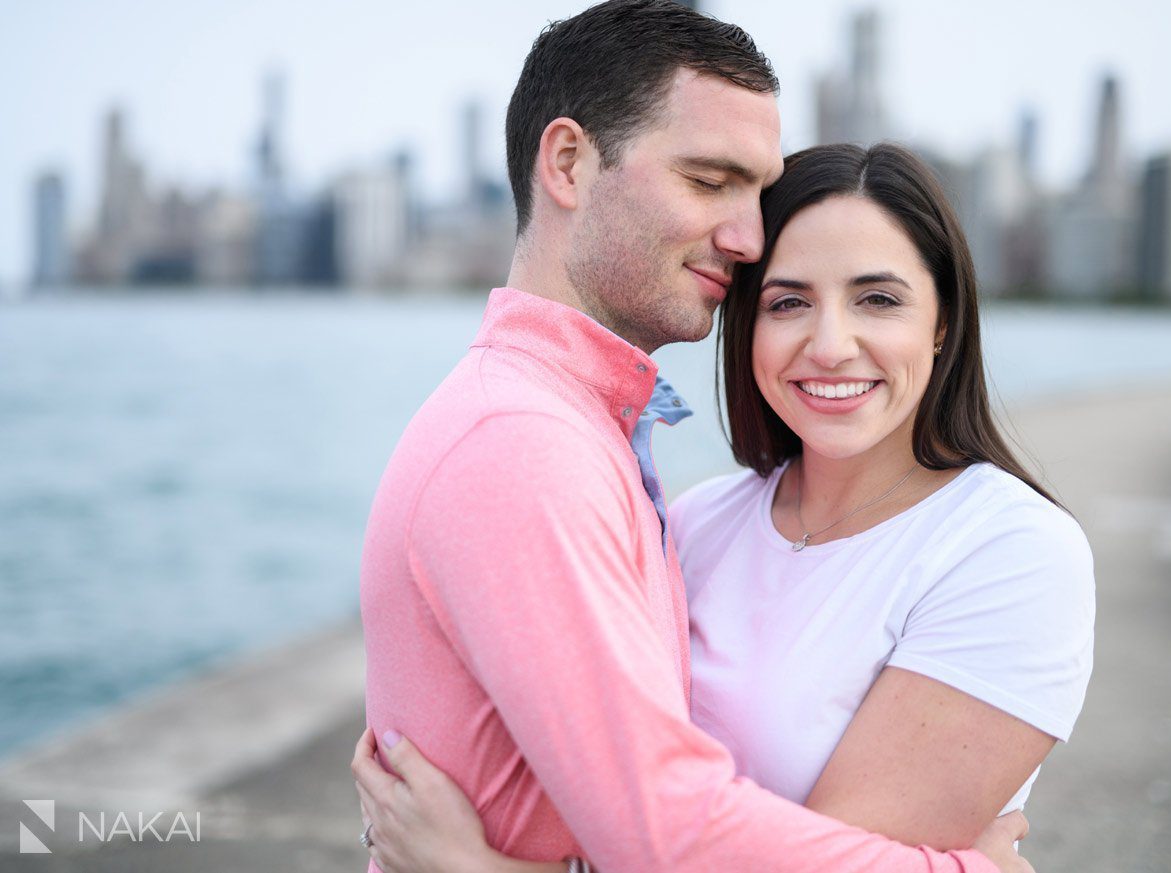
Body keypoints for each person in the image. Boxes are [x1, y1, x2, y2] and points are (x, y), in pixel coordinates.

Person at [356, 1, 1037, 871]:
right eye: (710, 182)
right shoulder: (520, 444)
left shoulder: (578, 429)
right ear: (567, 162)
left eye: (756, 193)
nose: (749, 239)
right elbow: (662, 828)